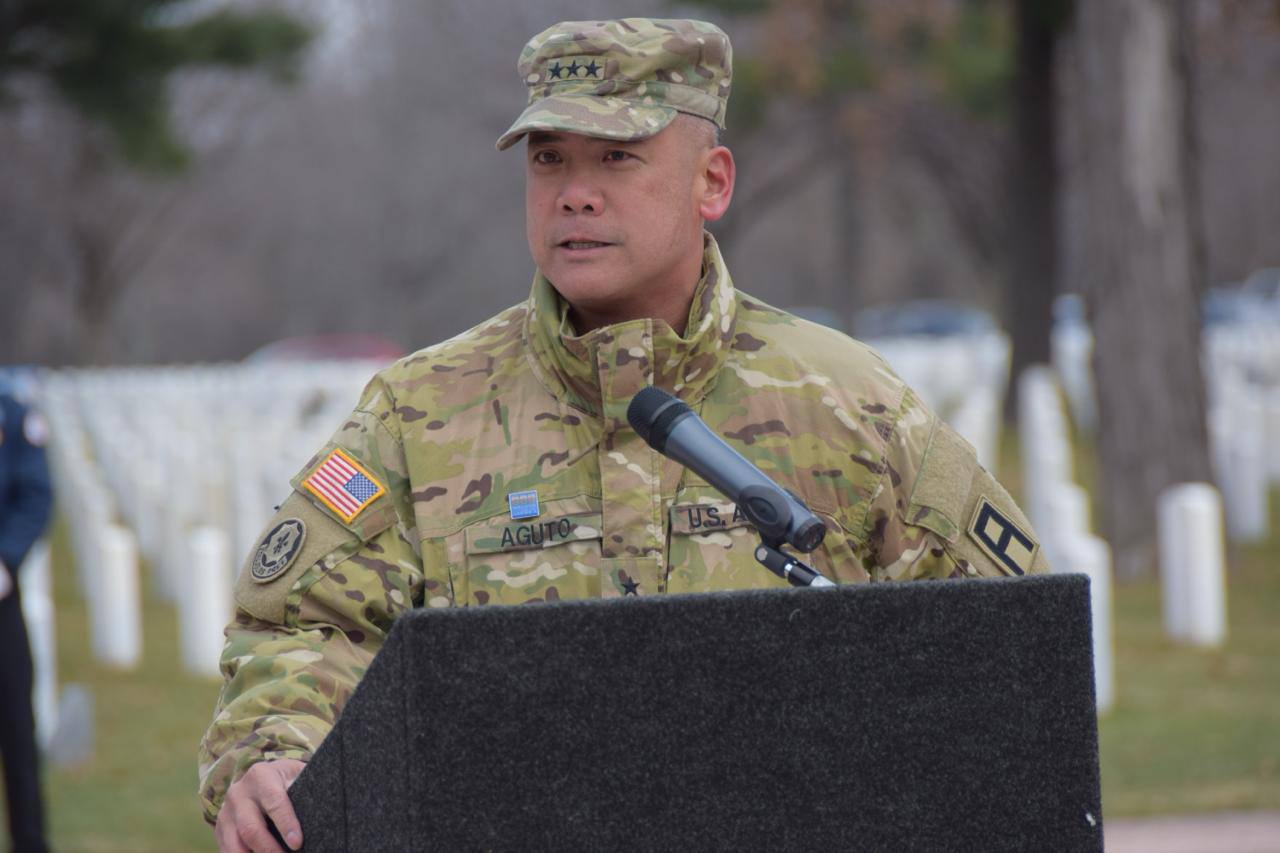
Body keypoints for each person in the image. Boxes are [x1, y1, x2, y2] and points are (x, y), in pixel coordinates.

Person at [200, 17, 1049, 852]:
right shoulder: (418, 414)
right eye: (549, 160)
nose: (574, 192)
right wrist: (275, 749)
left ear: (711, 181)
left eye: (616, 157)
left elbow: (1010, 653)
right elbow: (306, 627)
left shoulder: (849, 404)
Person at [0, 389, 54, 853]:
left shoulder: (12, 412)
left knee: (16, 727)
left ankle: (29, 842)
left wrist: (6, 558)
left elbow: (35, 493)